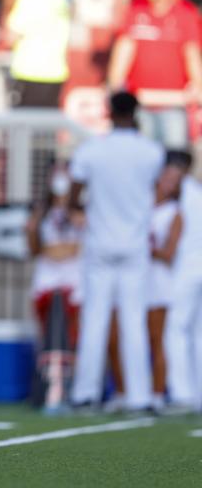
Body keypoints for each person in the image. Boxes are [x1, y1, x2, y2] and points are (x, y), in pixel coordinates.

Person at [69, 91, 164, 412]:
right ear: (137, 113)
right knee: (133, 321)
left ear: (108, 111)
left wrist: (83, 208)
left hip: (100, 242)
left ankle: (85, 393)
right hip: (135, 243)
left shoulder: (93, 149)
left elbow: (73, 193)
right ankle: (139, 395)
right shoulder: (151, 152)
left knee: (95, 319)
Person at [107, 150, 186, 410]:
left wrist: (143, 248)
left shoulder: (174, 213)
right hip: (131, 277)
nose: (167, 183)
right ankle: (122, 391)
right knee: (115, 337)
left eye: (173, 181)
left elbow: (169, 254)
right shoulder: (137, 203)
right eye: (166, 177)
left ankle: (157, 394)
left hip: (156, 280)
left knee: (155, 339)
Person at [107, 0, 202, 148]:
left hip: (174, 103)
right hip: (141, 102)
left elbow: (192, 55)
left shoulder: (184, 15)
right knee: (144, 157)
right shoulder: (135, 13)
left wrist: (198, 86)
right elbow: (123, 53)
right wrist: (116, 88)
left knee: (174, 158)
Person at [25, 167, 83, 412]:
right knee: (48, 337)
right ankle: (48, 388)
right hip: (47, 281)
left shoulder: (81, 211)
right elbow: (36, 247)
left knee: (73, 336)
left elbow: (77, 245)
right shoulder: (42, 212)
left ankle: (72, 389)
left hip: (75, 281)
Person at [6, 0, 71, 107]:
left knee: (25, 126)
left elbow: (11, 35)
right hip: (55, 71)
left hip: (30, 71)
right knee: (46, 127)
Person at [165, 150, 202, 412]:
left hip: (187, 268)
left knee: (176, 329)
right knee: (198, 333)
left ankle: (182, 394)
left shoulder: (181, 193)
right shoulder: (197, 191)